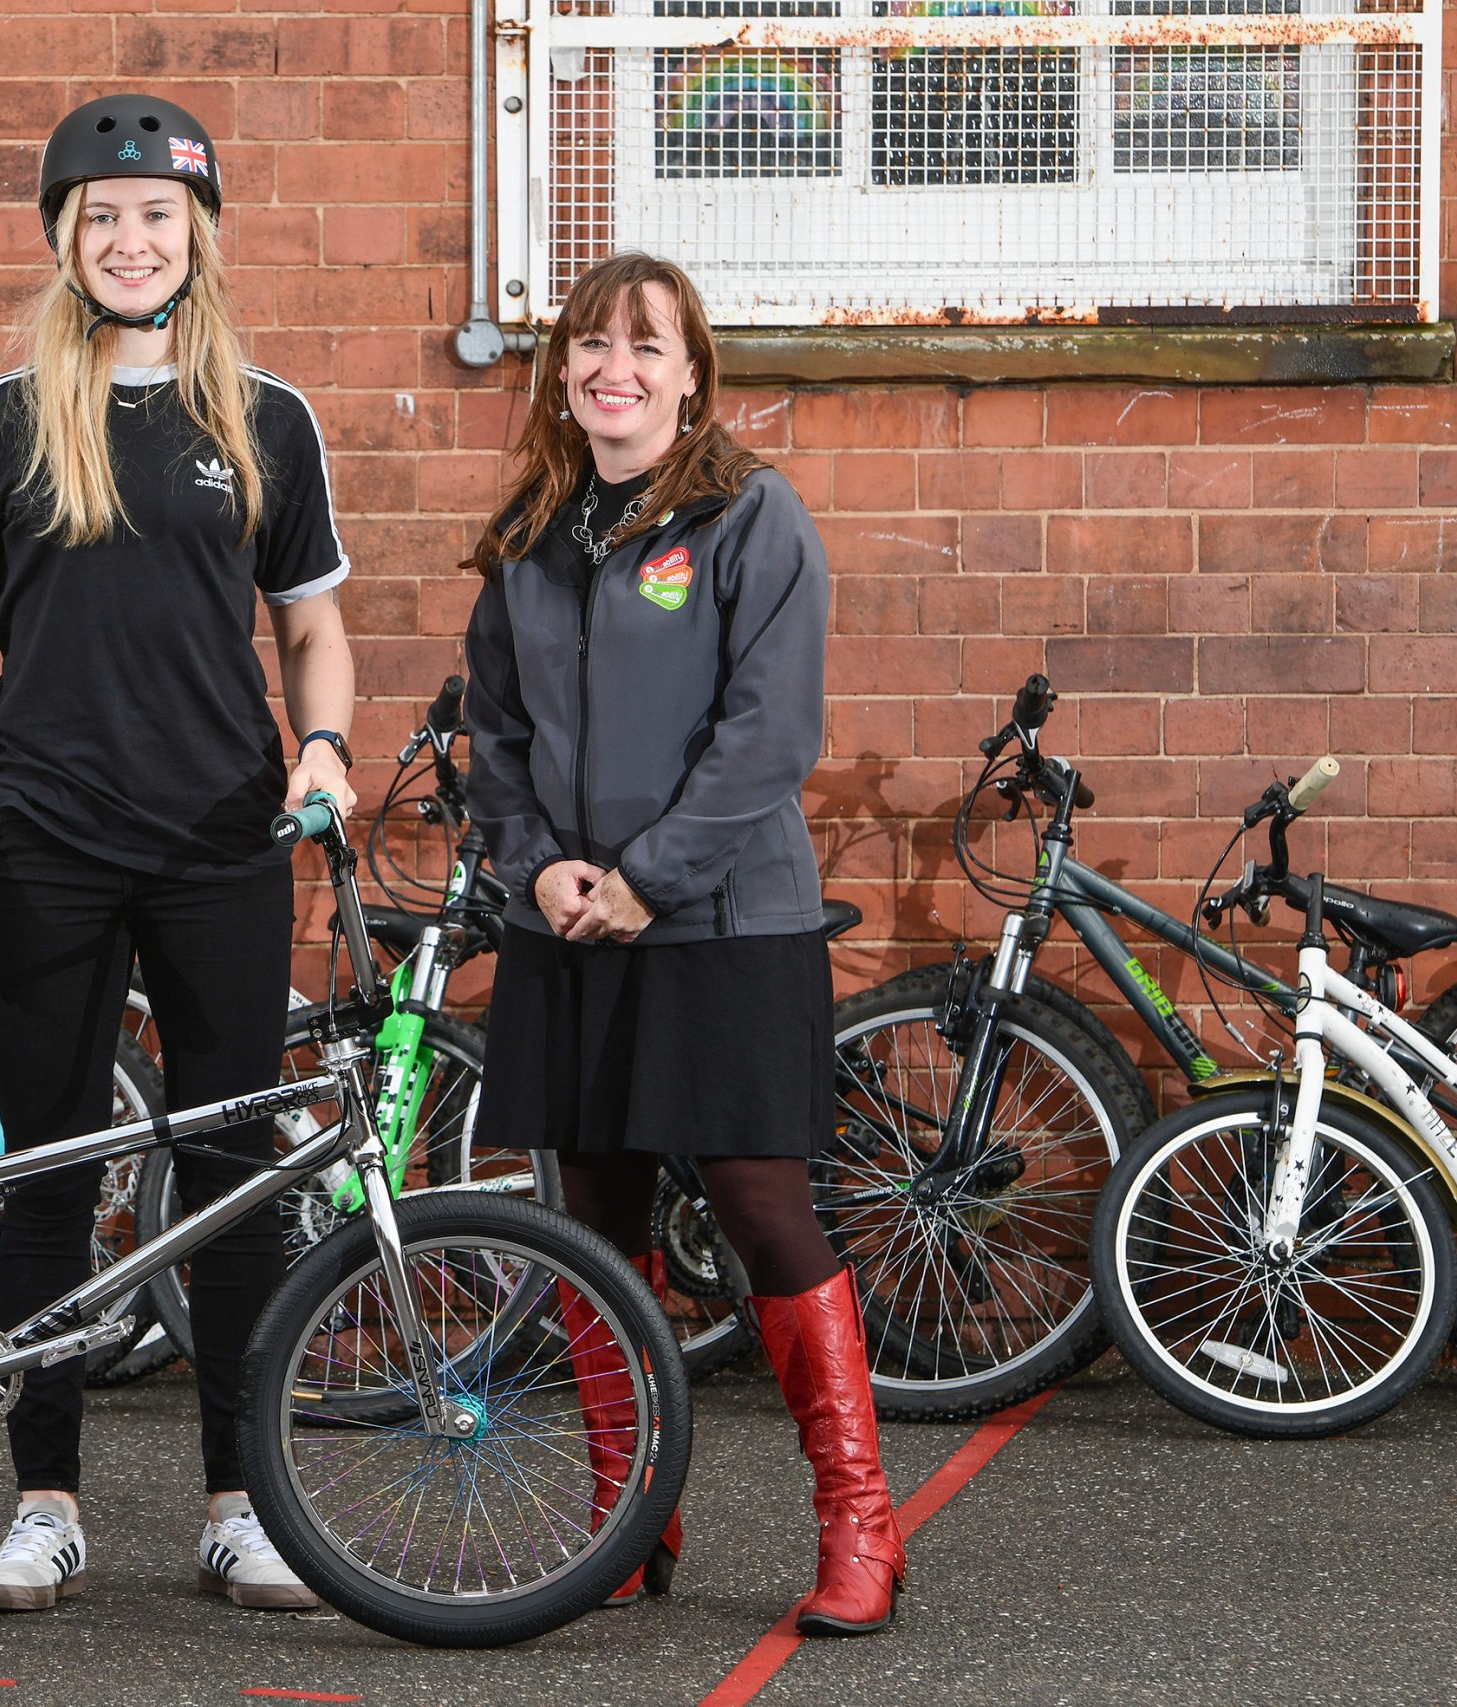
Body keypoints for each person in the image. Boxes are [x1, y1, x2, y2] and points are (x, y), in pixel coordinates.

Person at [0, 92, 357, 1615]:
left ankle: (241, 1502)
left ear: (198, 233)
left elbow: (314, 628)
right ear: (63, 239)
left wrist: (326, 750)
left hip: (225, 841)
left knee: (232, 1172)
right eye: (101, 216)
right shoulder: (0, 422)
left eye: (157, 214)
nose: (131, 238)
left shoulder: (264, 418)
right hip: (48, 846)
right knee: (44, 1172)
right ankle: (46, 1503)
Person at [461, 251, 902, 1635]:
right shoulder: (530, 535)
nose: (616, 370)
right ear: (563, 374)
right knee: (598, 1228)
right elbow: (498, 740)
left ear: (692, 372)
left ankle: (861, 1529)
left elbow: (771, 734)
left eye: (645, 348)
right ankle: (629, 1521)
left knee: (765, 1205)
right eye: (592, 345)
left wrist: (649, 877)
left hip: (725, 923)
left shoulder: (751, 519)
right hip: (571, 930)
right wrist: (540, 875)